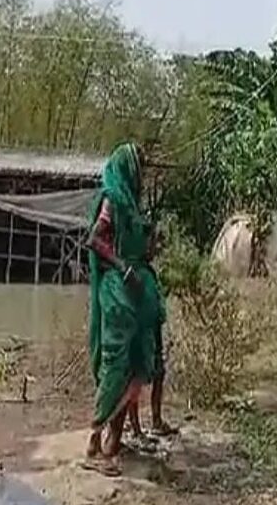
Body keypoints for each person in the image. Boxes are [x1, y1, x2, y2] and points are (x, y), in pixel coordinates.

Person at [83, 142, 163, 477]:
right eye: (138, 166)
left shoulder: (131, 205)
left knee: (139, 361)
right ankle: (93, 443)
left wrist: (150, 247)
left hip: (137, 295)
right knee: (116, 365)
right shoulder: (112, 199)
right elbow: (95, 240)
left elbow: (136, 249)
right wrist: (123, 267)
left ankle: (115, 442)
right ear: (125, 167)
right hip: (117, 294)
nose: (141, 173)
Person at [126, 224, 180, 451]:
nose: (155, 248)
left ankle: (156, 420)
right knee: (135, 379)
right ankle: (136, 429)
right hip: (138, 333)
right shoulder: (131, 270)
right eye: (152, 242)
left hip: (153, 330)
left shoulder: (148, 271)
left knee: (159, 373)